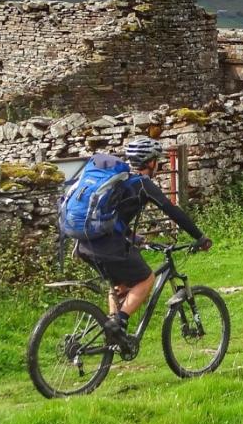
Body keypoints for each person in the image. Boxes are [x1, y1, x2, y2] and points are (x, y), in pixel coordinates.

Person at [74, 137, 212, 347]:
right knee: (146, 279)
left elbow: (112, 218)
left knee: (120, 285)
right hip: (108, 246)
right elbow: (172, 210)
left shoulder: (118, 181)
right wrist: (200, 237)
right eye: (157, 160)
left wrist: (134, 237)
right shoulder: (142, 183)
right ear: (150, 162)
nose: (159, 164)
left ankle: (114, 333)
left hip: (84, 244)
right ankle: (117, 323)